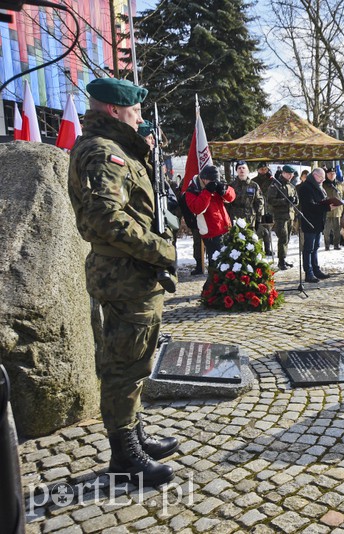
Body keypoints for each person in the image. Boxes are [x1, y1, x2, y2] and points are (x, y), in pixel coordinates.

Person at [67, 77, 177, 486]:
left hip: (130, 274)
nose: (141, 117)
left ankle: (135, 435)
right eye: (136, 110)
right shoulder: (103, 152)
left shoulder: (116, 149)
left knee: (134, 360)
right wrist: (160, 249)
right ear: (114, 110)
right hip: (124, 276)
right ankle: (125, 457)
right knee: (123, 367)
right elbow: (103, 218)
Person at [184, 165, 236, 268]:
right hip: (211, 233)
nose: (214, 183)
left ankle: (217, 283)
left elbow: (231, 197)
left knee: (228, 263)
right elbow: (197, 208)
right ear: (203, 179)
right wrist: (207, 192)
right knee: (217, 265)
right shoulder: (193, 190)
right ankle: (212, 283)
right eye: (210, 181)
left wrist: (225, 190)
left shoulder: (216, 184)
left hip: (225, 228)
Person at [297, 168, 333, 282]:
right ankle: (309, 272)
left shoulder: (319, 186)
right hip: (309, 222)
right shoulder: (305, 187)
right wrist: (327, 207)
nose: (322, 180)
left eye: (323, 178)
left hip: (318, 222)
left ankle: (316, 270)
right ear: (314, 175)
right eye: (320, 177)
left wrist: (329, 203)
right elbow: (309, 206)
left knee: (316, 247)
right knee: (308, 248)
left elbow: (321, 201)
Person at [266, 165, 298, 270]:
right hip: (280, 216)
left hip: (290, 215)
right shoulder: (276, 185)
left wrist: (294, 201)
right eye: (288, 174)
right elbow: (270, 200)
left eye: (291, 174)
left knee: (287, 239)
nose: (290, 176)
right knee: (283, 238)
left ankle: (283, 258)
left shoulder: (291, 185)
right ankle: (281, 261)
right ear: (283, 173)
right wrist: (284, 201)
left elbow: (296, 200)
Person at [226, 160, 264, 230]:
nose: (241, 170)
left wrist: (259, 220)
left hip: (250, 220)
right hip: (235, 219)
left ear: (247, 170)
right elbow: (227, 204)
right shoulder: (231, 186)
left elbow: (259, 203)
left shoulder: (254, 186)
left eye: (243, 168)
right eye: (239, 168)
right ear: (236, 171)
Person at [252, 162, 275, 256]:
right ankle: (259, 248)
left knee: (268, 230)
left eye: (265, 169)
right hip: (258, 208)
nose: (264, 171)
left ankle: (267, 249)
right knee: (259, 230)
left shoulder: (272, 180)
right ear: (258, 170)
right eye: (261, 169)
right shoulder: (254, 181)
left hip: (269, 208)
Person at [322, 167, 344, 250]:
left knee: (337, 230)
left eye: (333, 174)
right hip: (327, 211)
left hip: (338, 211)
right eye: (330, 174)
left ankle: (336, 245)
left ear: (335, 174)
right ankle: (327, 245)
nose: (332, 175)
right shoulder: (323, 185)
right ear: (326, 175)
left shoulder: (340, 185)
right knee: (326, 230)